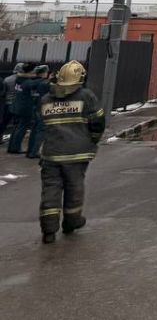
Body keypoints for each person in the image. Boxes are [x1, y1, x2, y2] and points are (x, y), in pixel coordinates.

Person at [35, 60, 105, 244]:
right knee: (74, 187)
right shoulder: (86, 97)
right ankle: (71, 221)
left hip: (51, 153)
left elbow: (41, 123)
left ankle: (48, 229)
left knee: (50, 189)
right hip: (76, 153)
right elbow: (98, 122)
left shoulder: (46, 100)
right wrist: (93, 139)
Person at [23, 66, 52, 159]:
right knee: (41, 131)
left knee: (34, 130)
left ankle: (30, 150)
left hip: (35, 107)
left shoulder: (31, 82)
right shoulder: (45, 84)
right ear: (44, 73)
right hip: (44, 108)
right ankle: (34, 152)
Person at [5, 64, 35, 153]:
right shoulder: (29, 82)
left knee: (16, 126)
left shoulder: (18, 79)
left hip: (16, 106)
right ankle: (16, 147)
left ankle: (11, 146)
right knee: (22, 128)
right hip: (25, 108)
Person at [1, 62, 25, 142]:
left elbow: (3, 92)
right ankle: (14, 140)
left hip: (8, 103)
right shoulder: (24, 80)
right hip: (18, 104)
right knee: (17, 124)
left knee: (4, 122)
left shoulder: (7, 79)